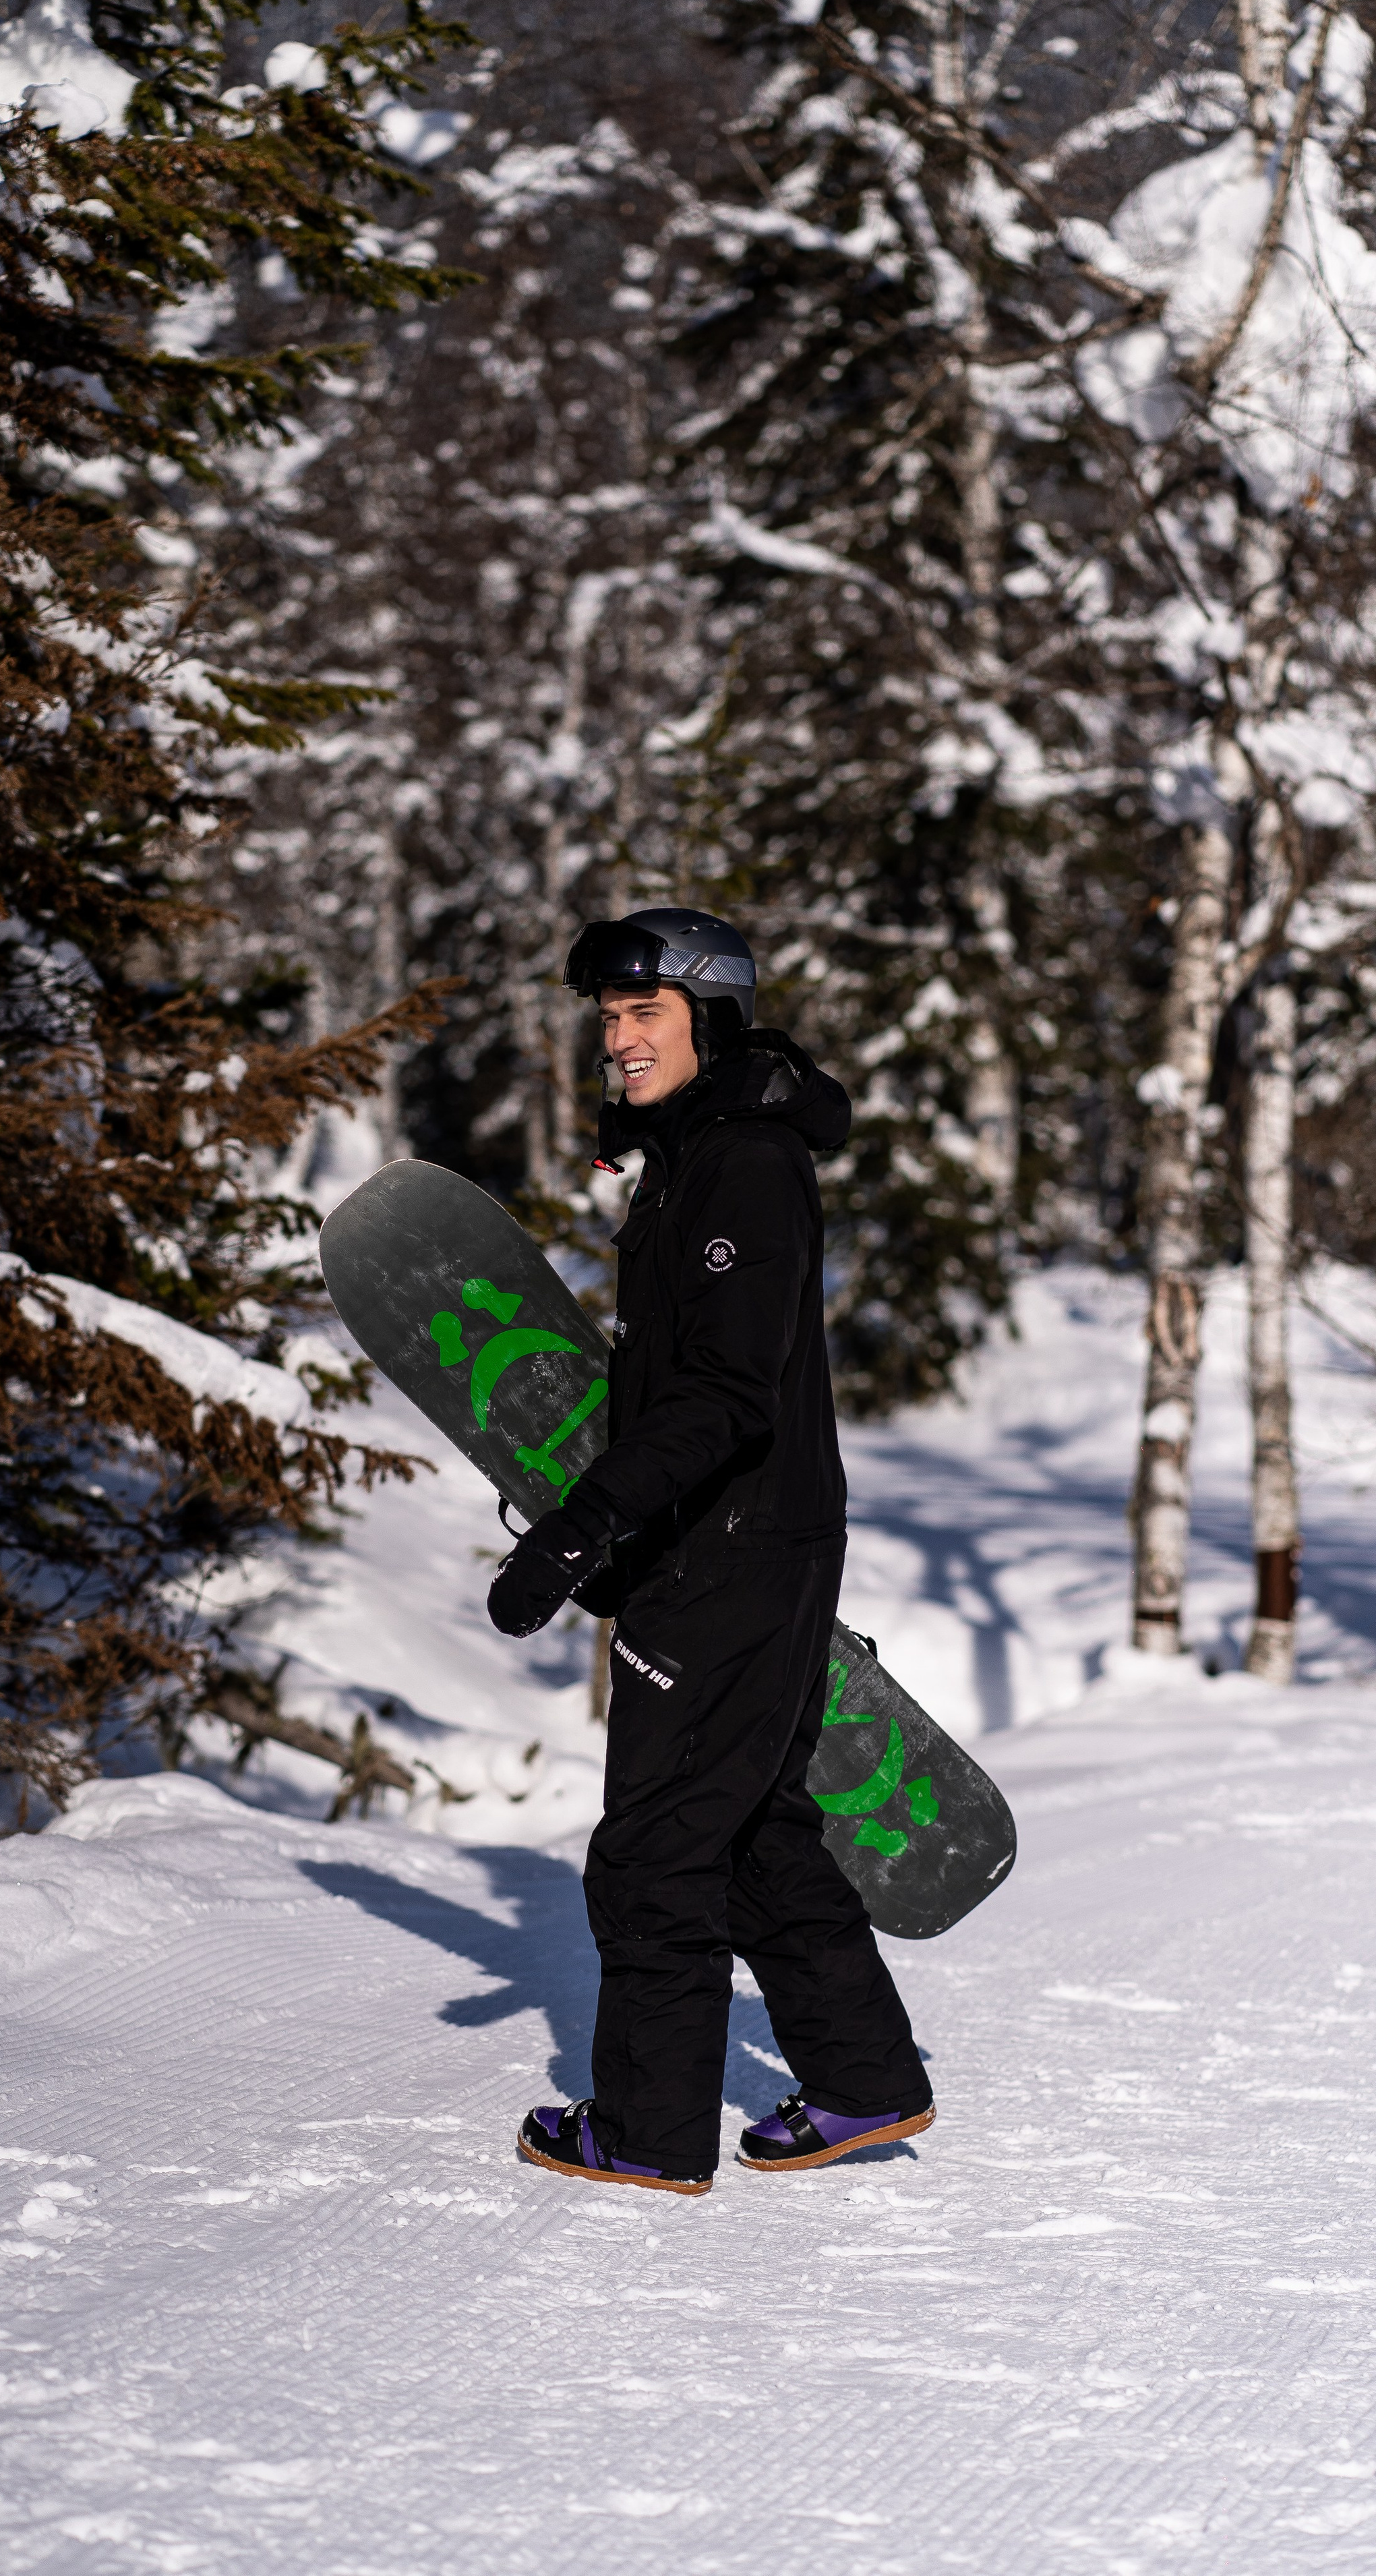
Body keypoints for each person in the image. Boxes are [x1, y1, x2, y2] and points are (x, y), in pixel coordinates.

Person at [486, 907, 933, 2194]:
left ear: (713, 1021)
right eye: (610, 1018)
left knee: (657, 1847)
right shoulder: (698, 1152)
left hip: (736, 1548)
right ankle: (863, 2081)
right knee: (751, 1829)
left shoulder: (742, 1163)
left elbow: (729, 1392)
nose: (620, 1039)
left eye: (647, 1015)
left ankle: (646, 2129)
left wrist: (582, 1528)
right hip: (740, 1538)